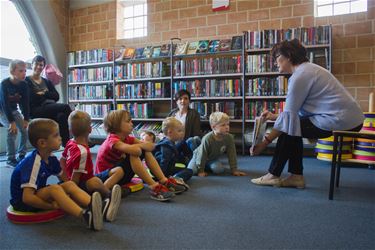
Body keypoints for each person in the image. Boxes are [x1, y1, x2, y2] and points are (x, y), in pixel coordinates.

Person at [250, 39, 364, 189]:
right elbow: (294, 113)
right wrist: (274, 116)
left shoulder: (299, 76)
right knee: (293, 127)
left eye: (277, 58)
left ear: (288, 56)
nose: (275, 63)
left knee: (289, 129)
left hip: (339, 120)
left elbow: (290, 118)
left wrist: (264, 143)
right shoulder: (309, 70)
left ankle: (273, 174)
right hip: (350, 119)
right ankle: (295, 176)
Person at [9, 118, 104, 231]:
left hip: (37, 192)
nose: (60, 138)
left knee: (69, 185)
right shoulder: (33, 163)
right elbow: (27, 198)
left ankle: (97, 207)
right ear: (42, 143)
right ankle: (85, 216)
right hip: (23, 202)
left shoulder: (51, 158)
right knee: (54, 189)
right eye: (56, 135)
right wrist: (50, 206)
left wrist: (70, 190)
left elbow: (65, 180)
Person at [95, 110, 187, 202]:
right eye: (128, 121)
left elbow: (151, 146)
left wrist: (139, 146)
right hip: (107, 178)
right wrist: (139, 146)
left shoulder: (128, 138)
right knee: (134, 154)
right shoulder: (112, 140)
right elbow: (137, 151)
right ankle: (154, 186)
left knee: (145, 151)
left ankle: (164, 181)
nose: (131, 123)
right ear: (116, 125)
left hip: (121, 175)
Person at [60, 110, 122, 222]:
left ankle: (102, 194)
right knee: (94, 181)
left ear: (70, 130)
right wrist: (70, 188)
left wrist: (64, 179)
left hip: (87, 176)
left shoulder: (70, 142)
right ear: (90, 129)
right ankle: (108, 197)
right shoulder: (82, 152)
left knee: (118, 170)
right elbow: (75, 180)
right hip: (82, 184)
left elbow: (62, 160)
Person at [25, 55, 72, 146]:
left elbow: (56, 96)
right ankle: (78, 135)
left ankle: (67, 145)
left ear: (43, 67)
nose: (39, 67)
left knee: (61, 116)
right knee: (65, 107)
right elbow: (32, 98)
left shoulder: (47, 81)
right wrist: (47, 95)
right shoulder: (27, 81)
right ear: (32, 65)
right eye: (37, 64)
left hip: (49, 108)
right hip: (36, 109)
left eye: (41, 65)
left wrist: (44, 94)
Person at [188, 112, 247, 177]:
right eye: (223, 125)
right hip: (198, 156)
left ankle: (206, 166)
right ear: (213, 127)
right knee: (192, 171)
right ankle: (191, 158)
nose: (227, 127)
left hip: (212, 158)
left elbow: (232, 154)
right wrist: (200, 170)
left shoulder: (229, 138)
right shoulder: (207, 138)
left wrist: (234, 170)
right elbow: (202, 154)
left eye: (228, 124)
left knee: (219, 170)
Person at [0, 59, 29, 167]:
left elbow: (25, 103)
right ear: (12, 71)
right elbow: (4, 104)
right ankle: (10, 158)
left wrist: (26, 119)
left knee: (25, 130)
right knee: (12, 130)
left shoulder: (24, 85)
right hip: (2, 110)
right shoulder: (4, 84)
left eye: (25, 71)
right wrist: (11, 122)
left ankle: (21, 155)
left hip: (14, 110)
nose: (24, 73)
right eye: (21, 71)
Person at [153, 117, 193, 185]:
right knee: (189, 171)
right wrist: (162, 178)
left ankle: (190, 160)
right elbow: (164, 163)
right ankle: (173, 180)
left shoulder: (170, 142)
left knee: (182, 142)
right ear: (170, 132)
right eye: (179, 131)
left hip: (170, 164)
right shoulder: (167, 147)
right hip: (163, 170)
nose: (182, 133)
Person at [168, 89, 202, 161]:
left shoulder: (194, 114)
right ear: (176, 101)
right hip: (172, 142)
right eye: (180, 99)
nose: (183, 101)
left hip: (186, 143)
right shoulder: (172, 113)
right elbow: (166, 128)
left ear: (189, 101)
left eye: (186, 98)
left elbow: (196, 133)